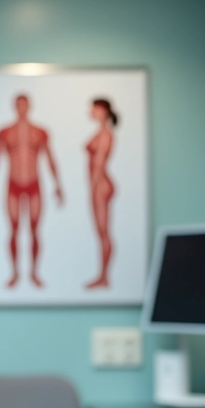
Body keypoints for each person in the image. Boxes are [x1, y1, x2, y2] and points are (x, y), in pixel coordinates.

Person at [0, 94, 64, 288]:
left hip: (34, 184)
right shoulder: (4, 132)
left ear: (29, 107)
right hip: (13, 185)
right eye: (19, 104)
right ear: (15, 107)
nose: (22, 108)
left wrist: (57, 185)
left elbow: (50, 158)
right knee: (14, 229)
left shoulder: (40, 132)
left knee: (35, 230)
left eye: (24, 105)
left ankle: (34, 273)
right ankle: (15, 273)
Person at [84, 98, 118, 289]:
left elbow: (98, 164)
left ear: (103, 110)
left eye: (94, 109)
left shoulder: (105, 135)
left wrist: (93, 188)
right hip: (99, 185)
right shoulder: (100, 133)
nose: (91, 111)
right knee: (101, 233)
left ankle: (104, 277)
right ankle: (102, 276)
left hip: (101, 186)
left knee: (103, 233)